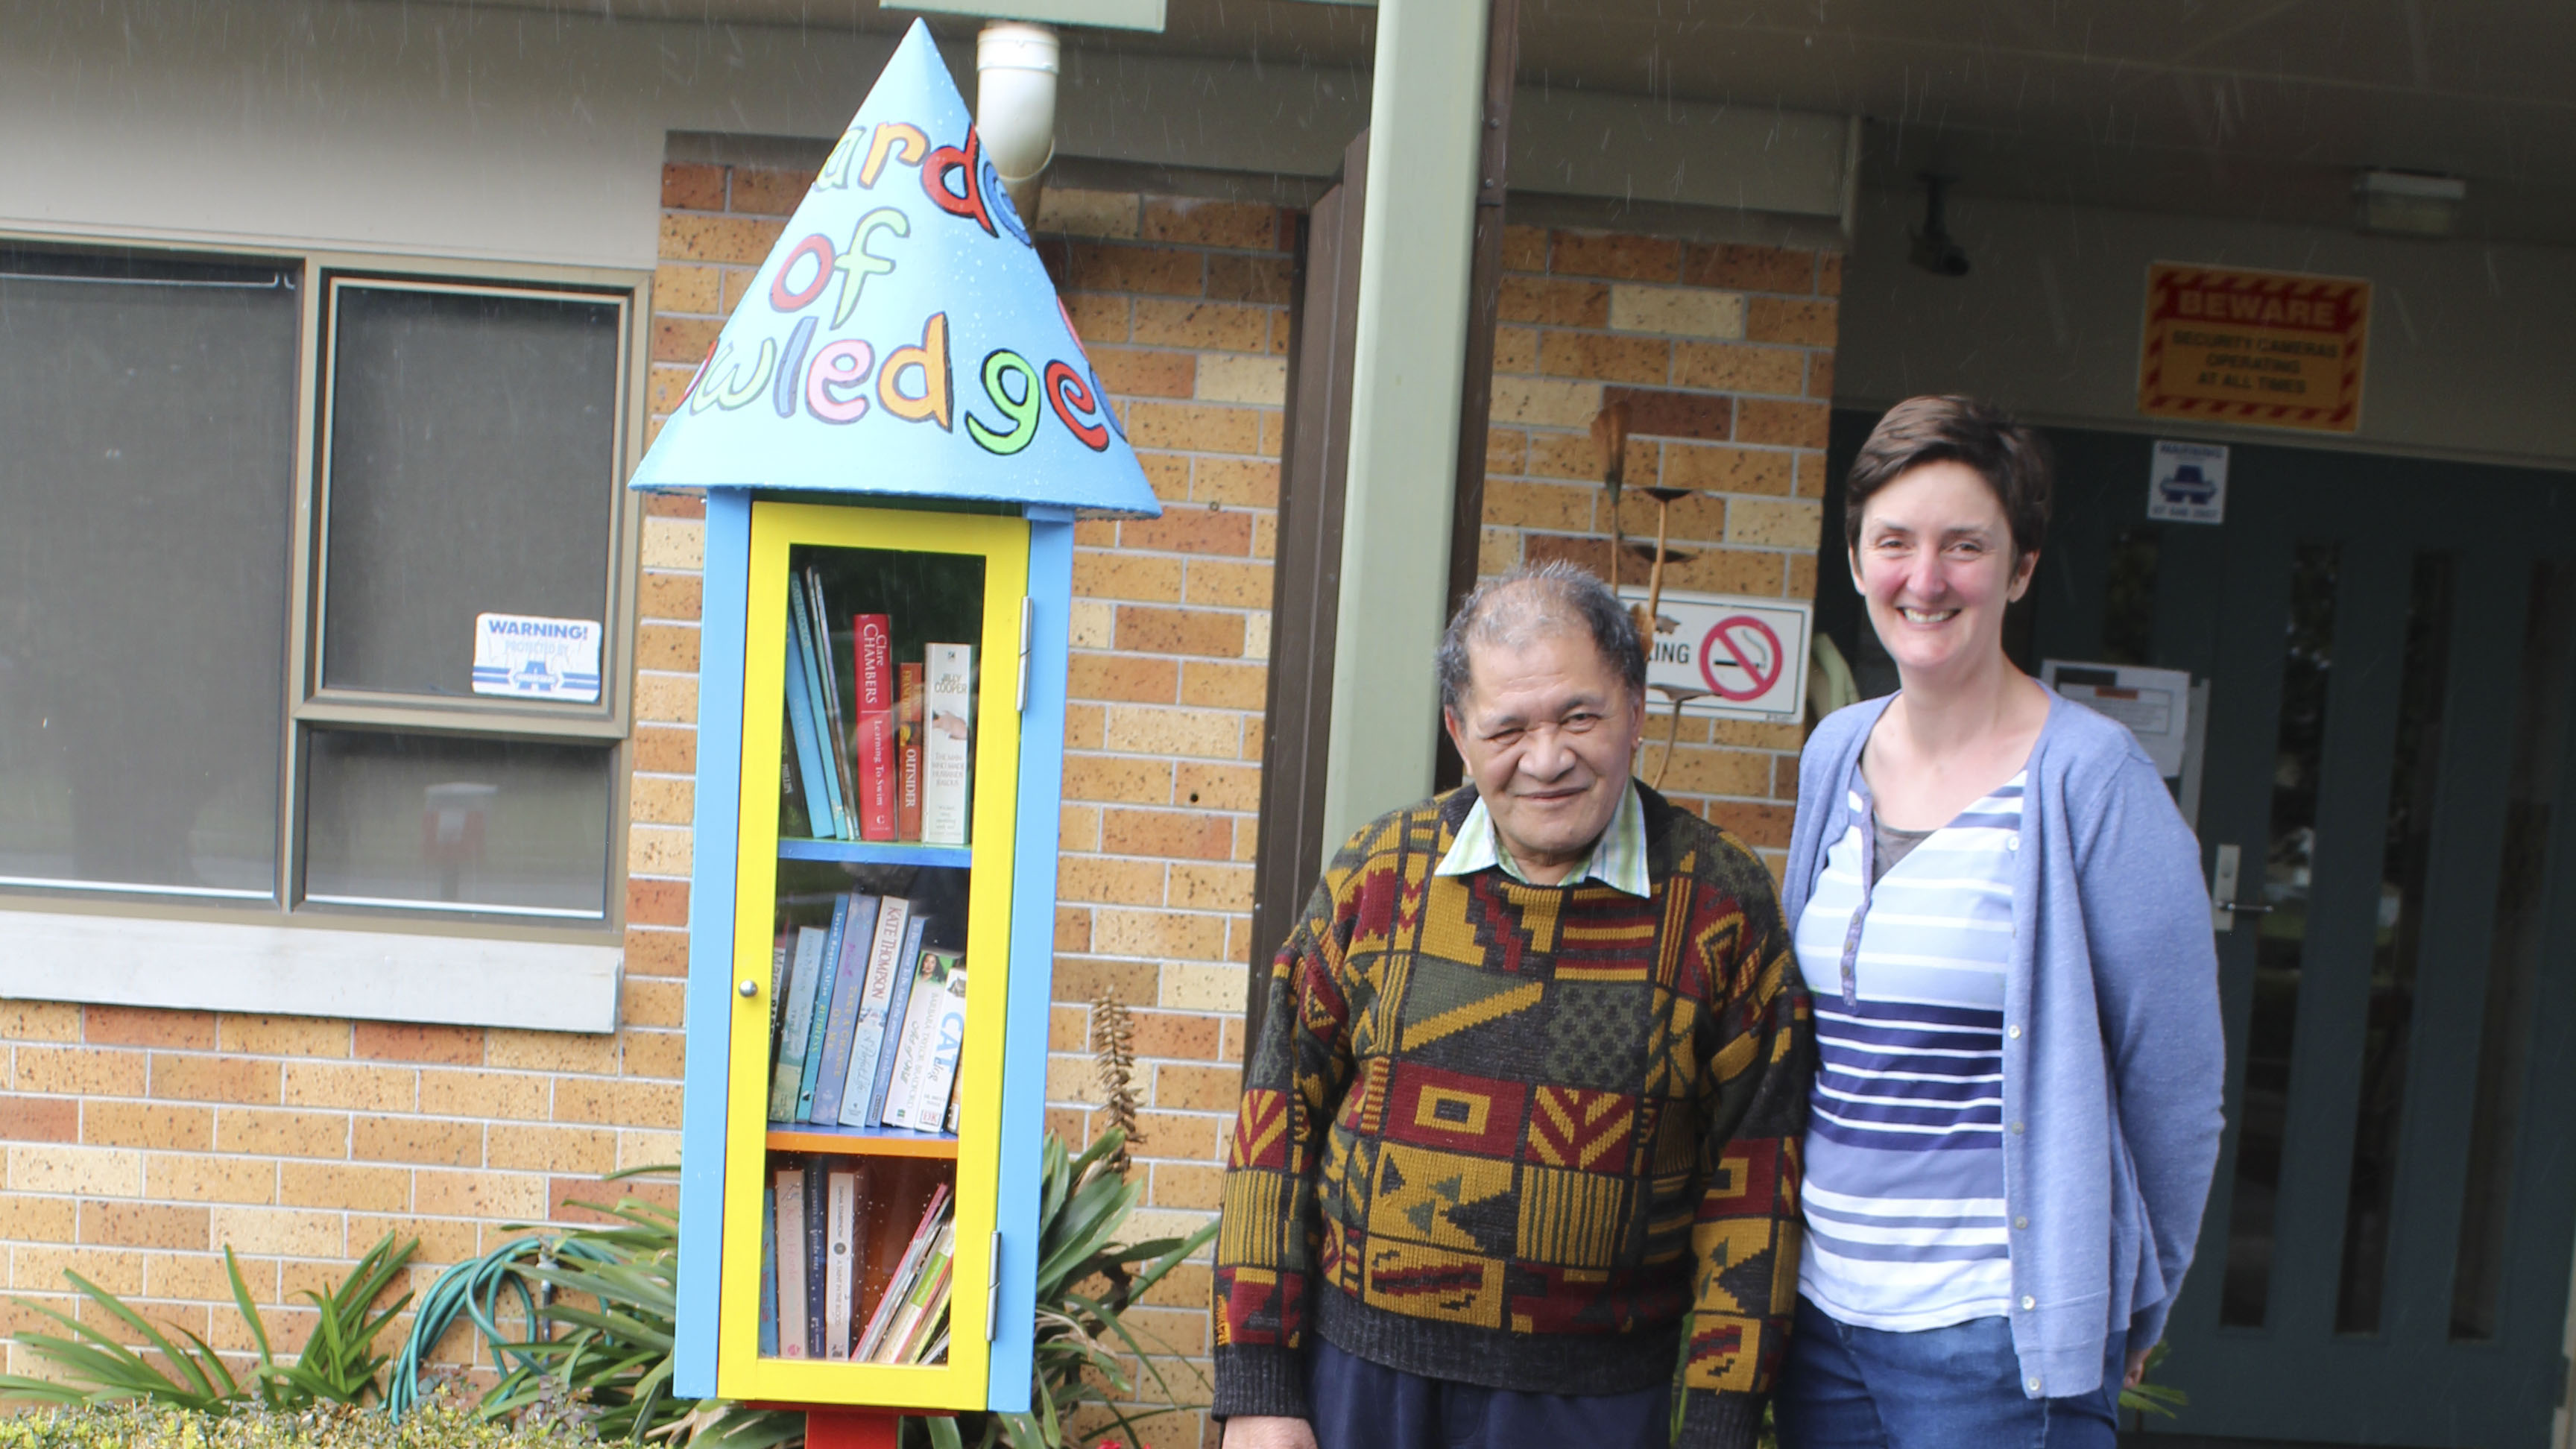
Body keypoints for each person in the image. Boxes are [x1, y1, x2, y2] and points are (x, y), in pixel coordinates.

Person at [1210, 562, 1812, 1449]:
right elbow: (1276, 1131)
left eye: (1579, 716)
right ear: (1460, 732)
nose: (1547, 758)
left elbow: (1754, 1190)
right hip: (1361, 1389)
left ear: (1636, 709)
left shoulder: (1721, 906)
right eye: (1509, 728)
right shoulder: (1378, 878)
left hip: (1597, 1408)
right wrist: (1260, 1386)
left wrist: (1718, 1425)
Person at [1775, 397, 2224, 1448]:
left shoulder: (2092, 780)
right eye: (1895, 542)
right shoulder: (1835, 752)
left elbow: (2178, 1084)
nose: (1924, 580)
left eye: (1964, 547)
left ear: (2018, 570)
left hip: (1994, 1342)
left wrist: (2127, 1298)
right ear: (1855, 560)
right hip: (1823, 1323)